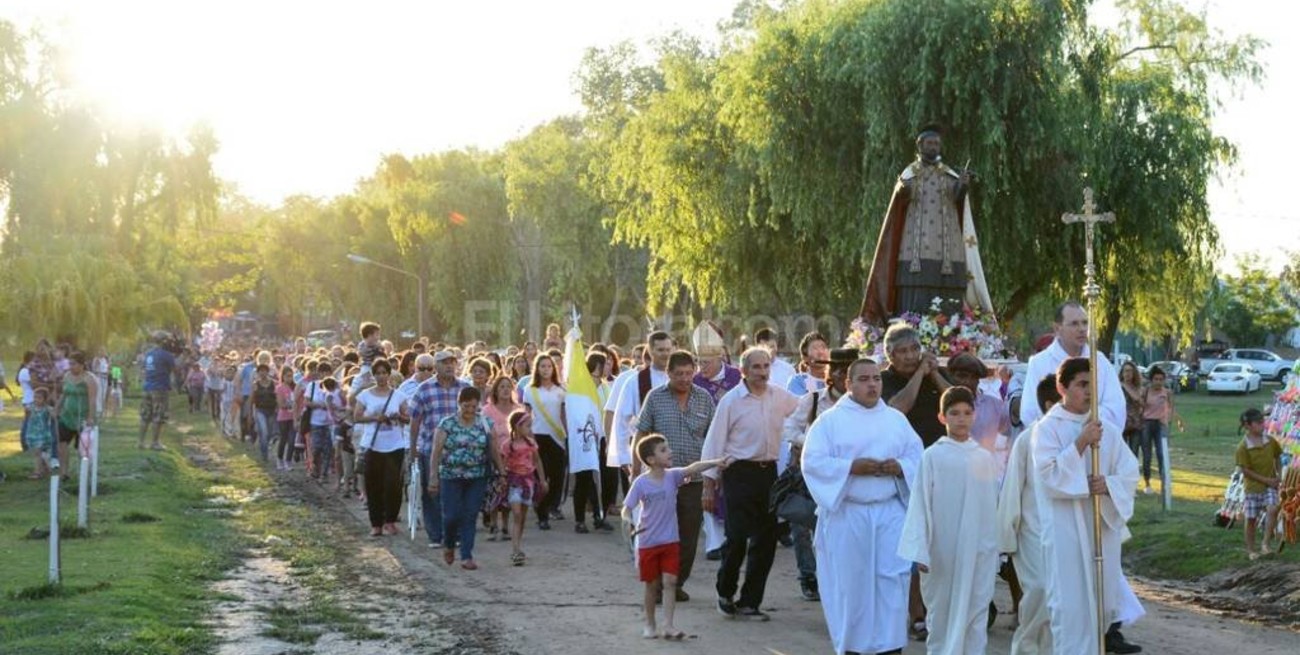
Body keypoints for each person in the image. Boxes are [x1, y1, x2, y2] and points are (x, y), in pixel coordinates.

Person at [801, 358, 923, 655]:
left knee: (891, 580)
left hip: (889, 512)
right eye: (864, 379)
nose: (872, 385)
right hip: (849, 513)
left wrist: (901, 467)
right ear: (849, 384)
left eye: (876, 379)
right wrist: (850, 468)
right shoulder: (829, 422)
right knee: (852, 583)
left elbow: (917, 456)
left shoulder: (895, 419)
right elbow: (812, 462)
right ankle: (854, 646)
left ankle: (890, 645)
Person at [1033, 357, 1142, 654]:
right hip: (1065, 529)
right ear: (1062, 388)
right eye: (1082, 384)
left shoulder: (1105, 427)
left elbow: (1129, 471)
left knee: (1101, 604)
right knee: (1070, 607)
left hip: (1100, 529)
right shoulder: (1047, 429)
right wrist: (1081, 442)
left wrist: (1108, 485)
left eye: (1093, 384)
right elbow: (1048, 477)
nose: (1089, 391)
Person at [700, 347, 799, 621]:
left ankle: (750, 602)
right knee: (737, 537)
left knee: (766, 540)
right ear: (743, 370)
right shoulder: (731, 401)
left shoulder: (779, 396)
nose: (762, 372)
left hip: (768, 474)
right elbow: (714, 443)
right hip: (738, 473)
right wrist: (709, 485)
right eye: (756, 367)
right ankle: (725, 592)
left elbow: (805, 411)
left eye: (766, 366)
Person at [898, 386, 999, 655]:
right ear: (942, 417)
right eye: (954, 413)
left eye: (966, 412)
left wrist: (994, 546)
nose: (961, 419)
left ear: (974, 415)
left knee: (975, 611)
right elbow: (920, 503)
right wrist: (920, 548)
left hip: (978, 549)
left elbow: (992, 507)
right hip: (942, 549)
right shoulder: (933, 456)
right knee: (942, 613)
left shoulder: (984, 457)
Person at [860, 124, 995, 322]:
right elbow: (901, 197)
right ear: (920, 145)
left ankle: (951, 327)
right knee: (913, 289)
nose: (933, 147)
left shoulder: (949, 174)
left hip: (948, 248)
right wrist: (902, 190)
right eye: (930, 143)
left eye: (937, 144)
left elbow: (958, 199)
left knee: (949, 293)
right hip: (914, 246)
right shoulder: (910, 173)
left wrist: (963, 185)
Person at [878, 323, 949, 636]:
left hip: (941, 464)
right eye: (903, 351)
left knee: (940, 543)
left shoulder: (934, 375)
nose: (910, 356)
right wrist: (920, 373)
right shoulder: (884, 380)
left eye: (914, 350)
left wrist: (934, 374)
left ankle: (939, 609)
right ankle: (916, 613)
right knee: (913, 545)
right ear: (890, 356)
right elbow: (898, 409)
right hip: (905, 470)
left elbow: (957, 403)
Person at [623, 434, 728, 640]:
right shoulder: (641, 483)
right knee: (651, 586)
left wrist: (716, 462)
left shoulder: (672, 476)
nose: (669, 452)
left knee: (670, 582)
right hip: (648, 543)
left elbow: (693, 468)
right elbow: (627, 508)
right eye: (663, 450)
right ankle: (650, 624)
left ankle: (668, 625)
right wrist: (628, 521)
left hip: (670, 542)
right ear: (651, 459)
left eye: (668, 448)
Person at [634, 350, 716, 601]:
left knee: (688, 537)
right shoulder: (655, 397)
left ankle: (676, 582)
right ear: (668, 373)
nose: (684, 379)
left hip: (693, 480)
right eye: (679, 374)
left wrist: (713, 478)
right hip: (660, 481)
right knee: (659, 534)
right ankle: (658, 586)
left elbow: (713, 438)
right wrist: (636, 472)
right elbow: (641, 434)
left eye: (689, 373)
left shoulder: (704, 399)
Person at [780, 347, 856, 602]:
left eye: (848, 370)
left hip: (845, 476)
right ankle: (808, 576)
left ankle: (836, 576)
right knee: (802, 525)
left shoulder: (862, 406)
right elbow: (789, 429)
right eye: (839, 370)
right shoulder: (812, 400)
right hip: (810, 474)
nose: (843, 375)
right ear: (830, 374)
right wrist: (811, 444)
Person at [999, 375, 1063, 655]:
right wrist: (1006, 534)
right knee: (1038, 589)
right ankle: (1026, 648)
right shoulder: (1028, 438)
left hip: (1065, 532)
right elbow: (1012, 486)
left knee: (1060, 599)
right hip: (1032, 531)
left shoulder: (1081, 437)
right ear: (1050, 404)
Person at [429, 386, 507, 570]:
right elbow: (436, 451)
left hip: (477, 476)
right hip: (451, 476)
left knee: (470, 515)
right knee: (451, 515)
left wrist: (502, 472)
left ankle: (466, 555)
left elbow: (494, 450)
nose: (470, 410)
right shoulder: (447, 424)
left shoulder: (485, 423)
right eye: (466, 406)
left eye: (474, 406)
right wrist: (433, 477)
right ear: (459, 404)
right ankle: (449, 543)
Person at [1020, 301, 1124, 429]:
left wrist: (1086, 422)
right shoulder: (1039, 363)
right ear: (1057, 328)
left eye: (1085, 323)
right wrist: (1062, 426)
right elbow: (1029, 412)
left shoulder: (1101, 362)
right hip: (1053, 438)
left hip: (1095, 436)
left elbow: (1116, 408)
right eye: (1074, 324)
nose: (1082, 329)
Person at [408, 350, 468, 548]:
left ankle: (455, 534)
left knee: (457, 492)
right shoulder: (424, 389)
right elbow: (414, 420)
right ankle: (436, 535)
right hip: (430, 449)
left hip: (460, 450)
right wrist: (413, 448)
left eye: (452, 362)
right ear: (436, 366)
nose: (449, 366)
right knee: (432, 492)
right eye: (444, 362)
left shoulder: (464, 388)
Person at [353, 359, 406, 537]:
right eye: (378, 373)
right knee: (373, 484)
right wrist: (376, 418)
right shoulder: (365, 395)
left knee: (393, 485)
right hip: (373, 444)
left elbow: (408, 417)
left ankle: (390, 521)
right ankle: (376, 523)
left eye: (384, 373)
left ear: (389, 374)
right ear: (373, 375)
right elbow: (357, 417)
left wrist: (399, 416)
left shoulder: (398, 395)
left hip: (395, 445)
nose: (381, 376)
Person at [524, 352, 567, 529]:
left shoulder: (561, 390)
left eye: (549, 366)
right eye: (542, 366)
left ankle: (551, 506)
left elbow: (564, 415)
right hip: (538, 436)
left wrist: (568, 435)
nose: (546, 369)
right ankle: (542, 514)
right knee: (541, 477)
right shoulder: (530, 390)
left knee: (557, 477)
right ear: (537, 368)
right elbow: (526, 415)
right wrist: (528, 437)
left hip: (557, 437)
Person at [502, 409, 548, 566]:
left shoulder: (531, 444)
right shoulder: (508, 445)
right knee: (516, 513)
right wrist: (502, 478)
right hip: (514, 481)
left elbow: (537, 461)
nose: (530, 429)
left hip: (528, 482)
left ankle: (518, 545)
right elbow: (503, 463)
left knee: (522, 516)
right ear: (517, 426)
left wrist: (542, 480)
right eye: (527, 426)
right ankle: (515, 549)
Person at [1235, 407, 1282, 559]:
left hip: (1270, 486)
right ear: (1247, 425)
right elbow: (1246, 471)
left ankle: (1265, 544)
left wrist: (1278, 475)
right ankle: (1251, 550)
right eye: (1259, 423)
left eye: (1263, 422)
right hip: (1253, 488)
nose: (1263, 425)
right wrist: (1267, 480)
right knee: (1251, 519)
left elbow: (1278, 456)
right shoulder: (1243, 447)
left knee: (1273, 508)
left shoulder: (1270, 441)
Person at [482, 374, 520, 541]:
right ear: (495, 390)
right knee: (494, 490)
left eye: (508, 386)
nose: (505, 390)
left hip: (513, 457)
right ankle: (493, 524)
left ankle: (505, 525)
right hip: (493, 456)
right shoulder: (487, 410)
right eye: (501, 387)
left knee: (508, 491)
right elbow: (486, 435)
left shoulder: (518, 409)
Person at [1139, 366, 1184, 495]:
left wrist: (1178, 420)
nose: (1158, 382)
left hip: (1161, 424)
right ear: (1151, 380)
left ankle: (1164, 482)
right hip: (1147, 423)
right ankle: (1147, 483)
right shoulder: (1145, 391)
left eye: (1161, 379)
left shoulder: (1167, 393)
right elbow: (1140, 407)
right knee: (1147, 455)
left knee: (1161, 453)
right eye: (1156, 379)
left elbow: (1171, 408)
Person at [56, 352, 99, 474]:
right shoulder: (67, 376)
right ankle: (64, 471)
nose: (71, 367)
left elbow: (92, 400)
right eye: (70, 364)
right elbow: (63, 394)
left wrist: (90, 417)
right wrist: (57, 409)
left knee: (82, 447)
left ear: (81, 365)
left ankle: (84, 471)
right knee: (62, 443)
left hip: (82, 417)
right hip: (67, 416)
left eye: (73, 364)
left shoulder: (89, 379)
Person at [139, 334, 176, 450]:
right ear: (164, 342)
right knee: (158, 416)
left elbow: (144, 369)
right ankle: (155, 442)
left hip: (147, 386)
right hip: (160, 387)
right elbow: (174, 369)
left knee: (145, 416)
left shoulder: (149, 354)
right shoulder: (166, 355)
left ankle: (140, 442)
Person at [26, 388, 58, 478]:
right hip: (32, 433)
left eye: (39, 398)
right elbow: (28, 416)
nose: (36, 400)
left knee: (38, 453)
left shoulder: (47, 409)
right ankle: (46, 469)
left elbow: (54, 416)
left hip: (42, 434)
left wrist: (54, 408)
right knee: (38, 453)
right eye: (35, 397)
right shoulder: (31, 407)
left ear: (45, 399)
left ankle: (37, 472)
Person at [786, 331, 830, 397]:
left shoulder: (837, 380)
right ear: (805, 357)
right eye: (815, 348)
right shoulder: (798, 381)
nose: (821, 352)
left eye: (823, 348)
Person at [251, 364, 278, 462]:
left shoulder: (274, 383)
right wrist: (251, 413)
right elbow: (252, 399)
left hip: (271, 410)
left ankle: (265, 447)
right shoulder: (255, 384)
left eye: (264, 371)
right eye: (260, 371)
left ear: (268, 372)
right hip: (260, 410)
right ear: (258, 373)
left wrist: (278, 408)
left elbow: (277, 397)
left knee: (269, 433)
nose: (263, 373)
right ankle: (264, 453)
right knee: (264, 431)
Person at [1119, 362, 1145, 454]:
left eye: (1130, 371)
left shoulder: (1138, 388)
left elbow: (1141, 402)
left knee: (1134, 452)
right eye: (1126, 371)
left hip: (1135, 424)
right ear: (1122, 373)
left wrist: (1127, 387)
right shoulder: (1117, 387)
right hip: (1122, 424)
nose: (1128, 373)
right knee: (1122, 452)